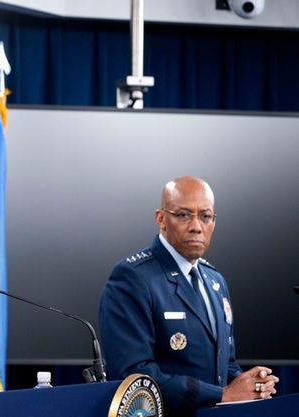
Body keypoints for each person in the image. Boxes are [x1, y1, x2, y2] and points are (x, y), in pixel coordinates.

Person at [99, 176, 279, 416]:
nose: (196, 226)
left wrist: (251, 383)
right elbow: (134, 376)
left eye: (205, 216)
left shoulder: (215, 281)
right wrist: (222, 395)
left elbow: (225, 365)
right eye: (183, 215)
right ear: (161, 219)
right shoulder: (132, 278)